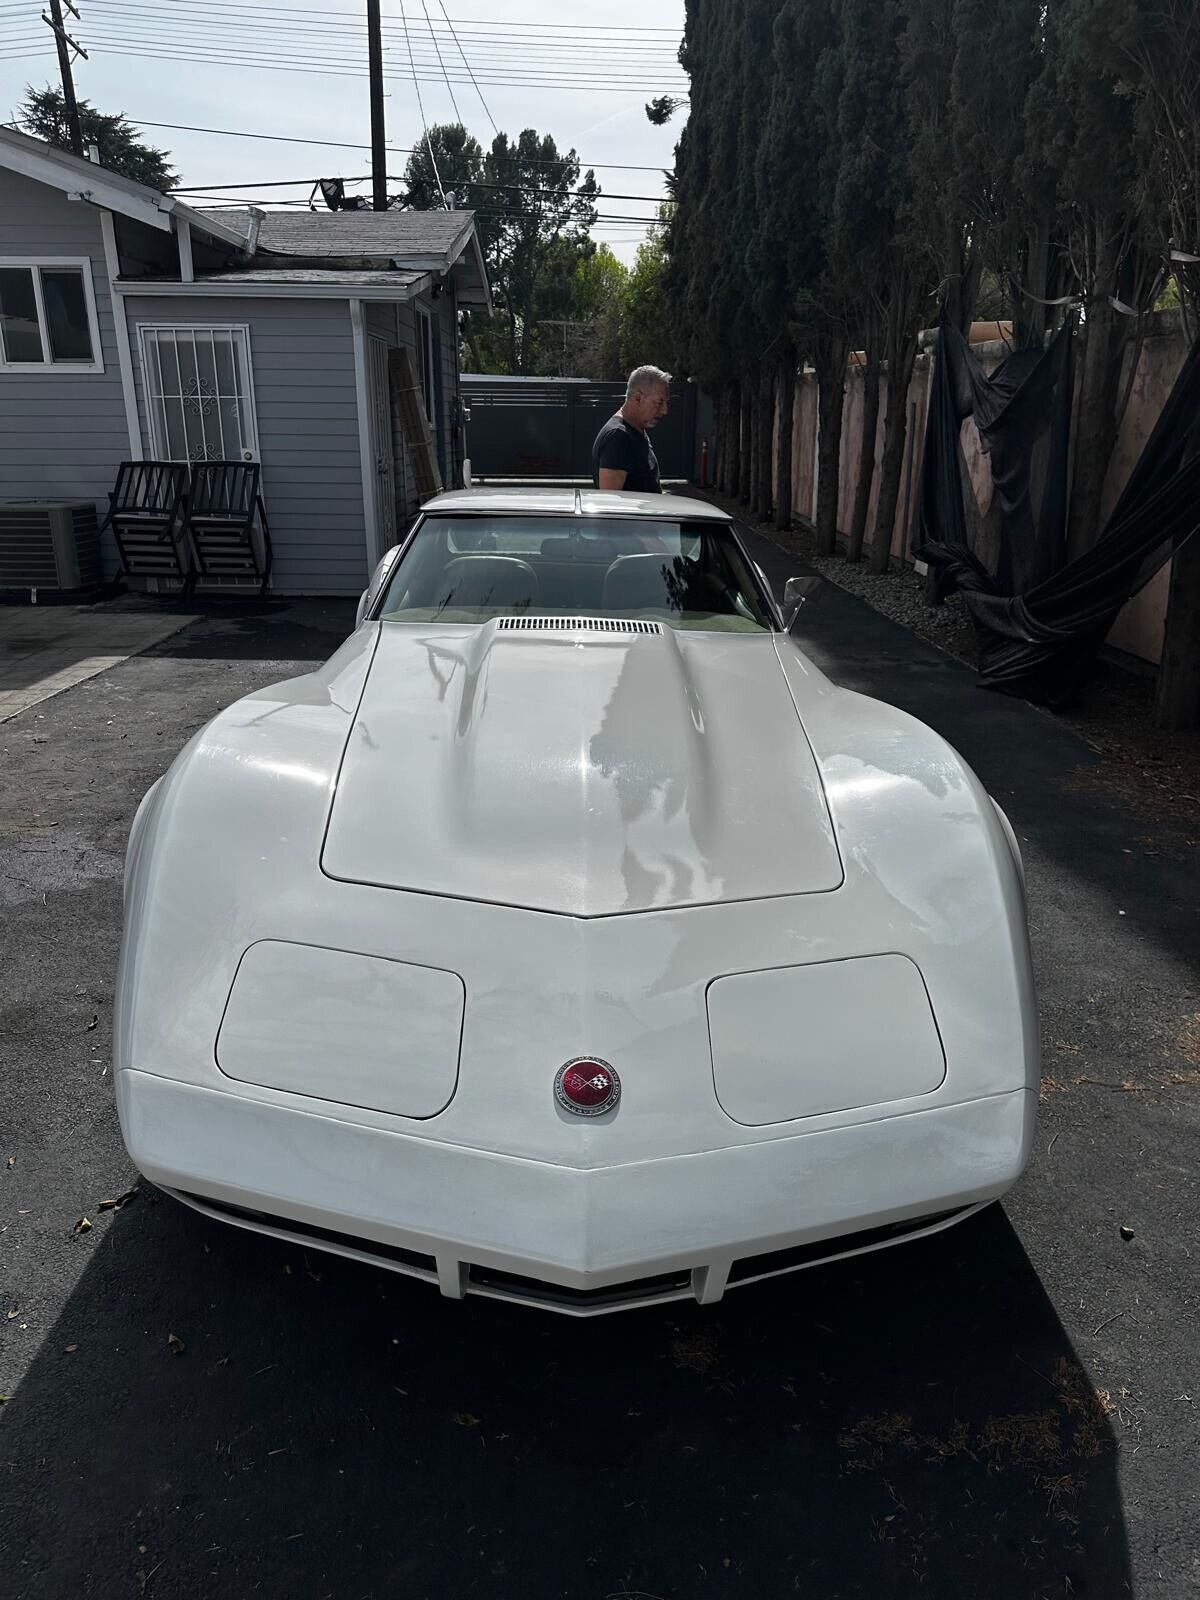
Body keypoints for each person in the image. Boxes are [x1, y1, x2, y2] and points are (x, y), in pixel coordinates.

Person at [592, 365, 671, 493]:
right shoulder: (618, 437)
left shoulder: (635, 431)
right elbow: (610, 503)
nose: (664, 410)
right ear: (638, 398)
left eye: (667, 403)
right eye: (659, 402)